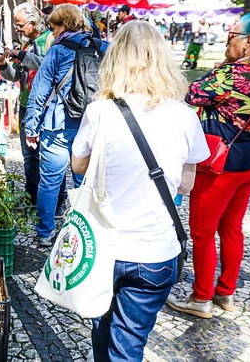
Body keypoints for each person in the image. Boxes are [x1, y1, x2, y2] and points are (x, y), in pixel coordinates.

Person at [71, 20, 209, 361]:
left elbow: (78, 167)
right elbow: (186, 184)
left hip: (101, 246)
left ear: (115, 59)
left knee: (102, 330)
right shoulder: (185, 116)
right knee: (129, 342)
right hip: (155, 252)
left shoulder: (99, 111)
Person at [167, 13, 250, 318]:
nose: (228, 41)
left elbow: (191, 94)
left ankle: (200, 298)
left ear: (249, 42)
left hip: (222, 164)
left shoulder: (230, 75)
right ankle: (225, 293)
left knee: (202, 231)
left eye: (232, 36)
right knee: (231, 227)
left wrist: (219, 71)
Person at [22, 4, 91, 246]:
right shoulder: (102, 47)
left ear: (64, 25)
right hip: (91, 124)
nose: (51, 32)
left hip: (58, 123)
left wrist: (31, 128)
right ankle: (86, 231)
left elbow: (39, 91)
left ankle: (45, 233)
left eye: (53, 27)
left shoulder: (58, 49)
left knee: (50, 181)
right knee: (86, 182)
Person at [0, 2, 54, 206]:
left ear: (33, 21)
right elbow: (16, 76)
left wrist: (20, 54)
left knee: (47, 155)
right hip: (26, 104)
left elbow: (45, 66)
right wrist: (3, 65)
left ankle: (52, 200)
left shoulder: (50, 40)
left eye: (20, 25)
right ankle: (31, 197)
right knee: (28, 156)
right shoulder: (27, 44)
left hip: (46, 106)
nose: (17, 29)